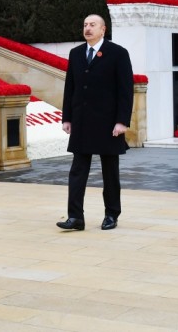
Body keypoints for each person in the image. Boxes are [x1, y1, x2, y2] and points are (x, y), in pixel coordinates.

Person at [57, 14, 133, 231]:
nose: (87, 28)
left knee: (110, 171)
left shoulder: (117, 53)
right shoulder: (77, 53)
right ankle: (75, 217)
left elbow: (125, 91)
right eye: (85, 25)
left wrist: (122, 121)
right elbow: (70, 88)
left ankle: (111, 214)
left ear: (103, 29)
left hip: (108, 124)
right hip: (81, 122)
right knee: (78, 170)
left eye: (92, 25)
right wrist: (67, 118)